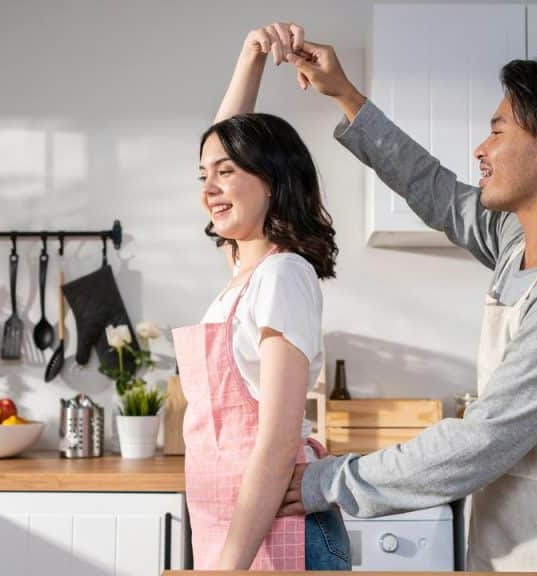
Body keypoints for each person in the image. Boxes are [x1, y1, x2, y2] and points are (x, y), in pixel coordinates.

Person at [276, 27, 537, 572]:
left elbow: (483, 439)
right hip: (511, 539)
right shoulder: (517, 241)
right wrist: (345, 95)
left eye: (498, 131)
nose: (481, 149)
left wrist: (329, 481)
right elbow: (434, 190)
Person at [171, 23, 350, 571]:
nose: (208, 188)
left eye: (225, 172)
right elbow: (228, 137)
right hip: (240, 533)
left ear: (271, 179)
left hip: (278, 537)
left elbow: (275, 442)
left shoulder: (282, 275)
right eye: (203, 175)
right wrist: (250, 56)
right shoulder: (242, 274)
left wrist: (229, 567)